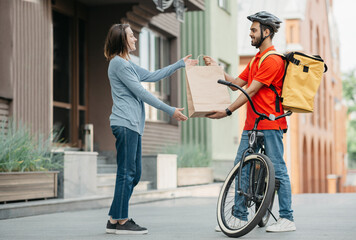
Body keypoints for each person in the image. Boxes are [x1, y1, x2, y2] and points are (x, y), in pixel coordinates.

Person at [204, 11, 296, 232]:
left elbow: (251, 91)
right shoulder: (257, 59)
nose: (250, 34)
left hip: (271, 124)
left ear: (266, 32)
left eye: (254, 30)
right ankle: (238, 215)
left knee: (278, 169)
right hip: (252, 125)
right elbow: (238, 82)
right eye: (250, 31)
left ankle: (287, 218)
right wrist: (217, 69)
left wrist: (227, 111)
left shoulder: (273, 60)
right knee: (241, 167)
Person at [103, 23, 197, 235]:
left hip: (132, 125)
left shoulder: (126, 63)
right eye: (131, 36)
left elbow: (153, 76)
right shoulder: (119, 64)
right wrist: (170, 110)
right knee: (127, 173)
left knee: (133, 174)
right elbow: (143, 93)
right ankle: (122, 221)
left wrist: (179, 64)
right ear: (122, 40)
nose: (135, 39)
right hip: (125, 123)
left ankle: (114, 218)